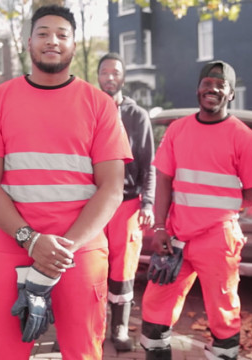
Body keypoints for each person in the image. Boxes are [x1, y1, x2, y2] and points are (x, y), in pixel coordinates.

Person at [0, 5, 132, 360]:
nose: (52, 41)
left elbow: (112, 188)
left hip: (79, 249)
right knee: (3, 353)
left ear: (73, 44)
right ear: (28, 42)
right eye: (42, 33)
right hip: (12, 245)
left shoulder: (100, 105)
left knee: (83, 351)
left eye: (61, 34)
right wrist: (31, 239)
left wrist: (60, 249)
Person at [140, 60, 252, 360]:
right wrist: (159, 227)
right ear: (198, 88)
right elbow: (163, 181)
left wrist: (216, 211)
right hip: (175, 236)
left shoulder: (244, 138)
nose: (212, 88)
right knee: (155, 306)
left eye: (220, 85)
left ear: (231, 94)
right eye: (207, 83)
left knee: (223, 315)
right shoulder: (177, 129)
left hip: (218, 239)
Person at [97, 52, 155, 351]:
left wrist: (148, 204)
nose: (110, 76)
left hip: (128, 204)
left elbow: (149, 164)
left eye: (115, 72)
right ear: (98, 76)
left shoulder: (137, 116)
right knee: (92, 266)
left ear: (122, 77)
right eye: (105, 71)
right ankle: (94, 325)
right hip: (93, 205)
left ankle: (119, 329)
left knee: (123, 268)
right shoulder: (88, 111)